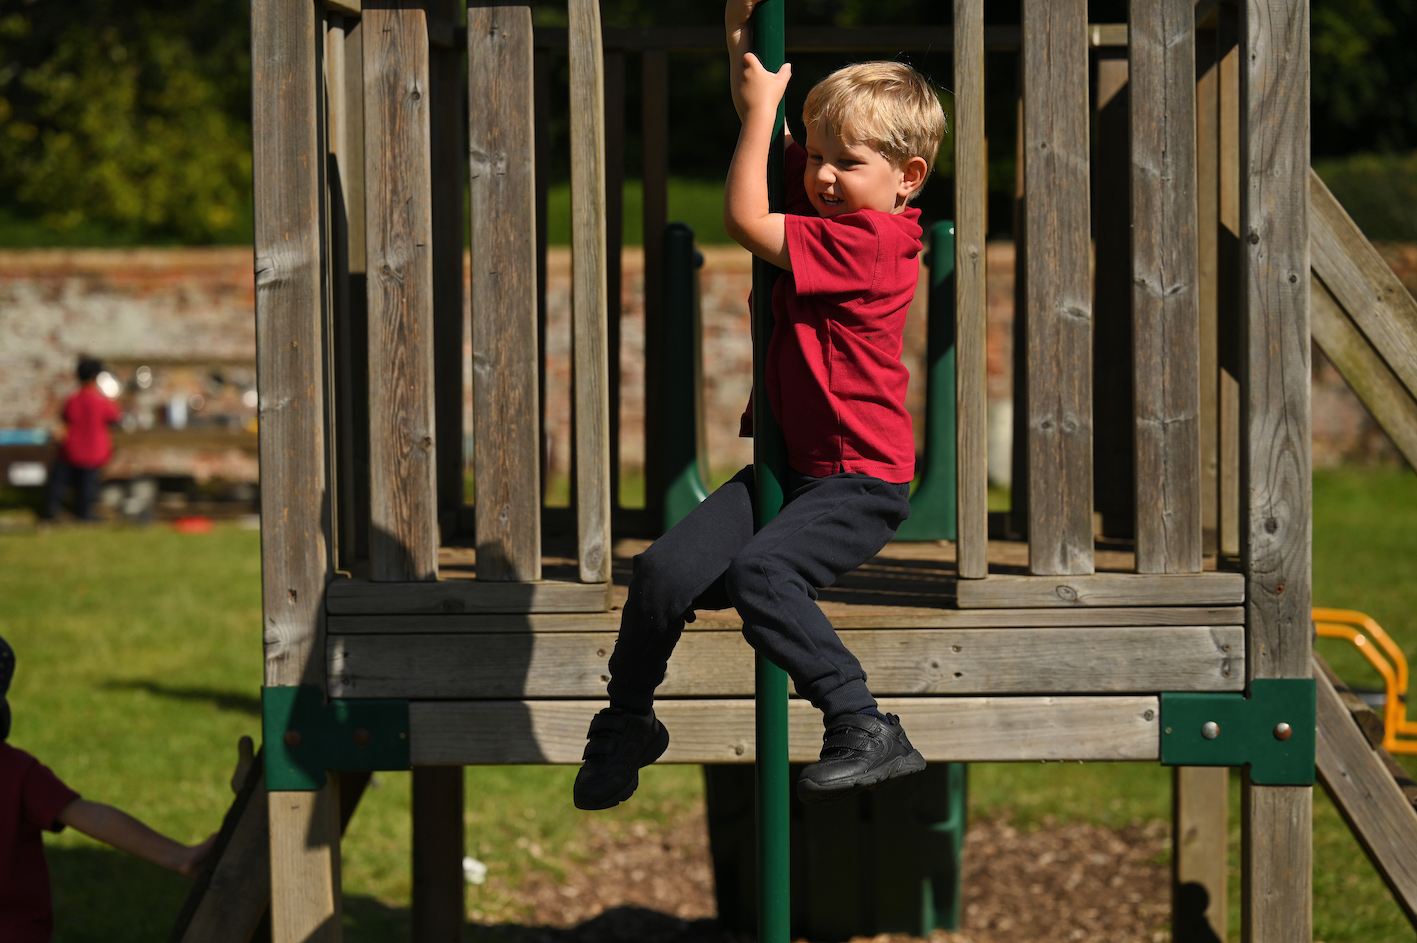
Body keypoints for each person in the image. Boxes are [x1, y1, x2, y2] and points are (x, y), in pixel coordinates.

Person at [573, 0, 947, 810]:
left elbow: (744, 213)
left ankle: (864, 722)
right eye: (816, 156)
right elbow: (767, 140)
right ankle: (628, 719)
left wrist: (762, 115)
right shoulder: (834, 208)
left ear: (905, 177)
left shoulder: (873, 242)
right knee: (663, 571)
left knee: (762, 573)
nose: (819, 175)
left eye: (844, 162)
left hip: (857, 479)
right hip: (791, 467)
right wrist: (743, 34)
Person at [0, 636, 215, 941]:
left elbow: (94, 818)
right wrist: (179, 857)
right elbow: (93, 817)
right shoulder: (15, 770)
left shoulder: (15, 773)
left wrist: (179, 857)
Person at [44, 357, 122, 522]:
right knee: (88, 487)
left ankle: (53, 509)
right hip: (93, 452)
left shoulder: (72, 400)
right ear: (96, 377)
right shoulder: (101, 401)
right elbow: (116, 415)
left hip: (71, 450)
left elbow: (65, 420)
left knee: (60, 481)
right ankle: (85, 513)